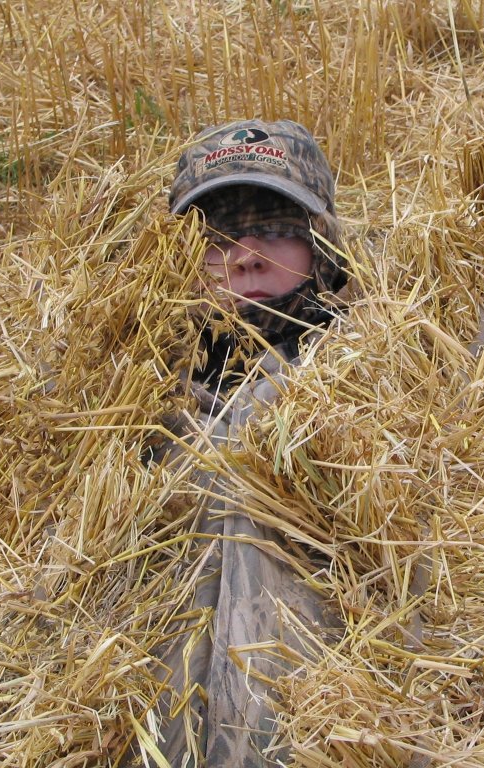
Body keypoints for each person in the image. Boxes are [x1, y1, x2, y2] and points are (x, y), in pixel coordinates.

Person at [129, 119, 347, 768]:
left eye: (277, 227)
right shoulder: (127, 394)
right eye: (218, 235)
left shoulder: (374, 376)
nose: (247, 252)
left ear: (323, 248)